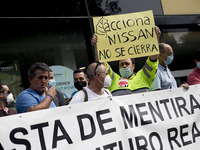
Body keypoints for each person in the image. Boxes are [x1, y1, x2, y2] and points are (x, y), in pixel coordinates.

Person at [91, 26, 161, 96]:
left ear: (133, 66)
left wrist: (155, 39)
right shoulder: (113, 79)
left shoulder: (144, 75)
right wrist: (97, 46)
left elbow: (153, 59)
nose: (124, 66)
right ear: (118, 67)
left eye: (127, 64)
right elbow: (101, 63)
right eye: (122, 64)